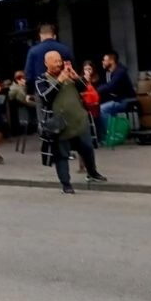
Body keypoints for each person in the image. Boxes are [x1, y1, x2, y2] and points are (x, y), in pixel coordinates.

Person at [35, 51, 107, 194]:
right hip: (60, 126)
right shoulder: (41, 80)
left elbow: (83, 87)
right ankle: (66, 184)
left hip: (79, 121)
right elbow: (46, 97)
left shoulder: (68, 75)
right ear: (46, 63)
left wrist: (75, 77)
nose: (58, 64)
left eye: (59, 61)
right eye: (55, 61)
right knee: (61, 155)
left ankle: (92, 173)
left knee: (87, 149)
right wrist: (59, 81)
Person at [23, 23, 74, 94]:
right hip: (64, 90)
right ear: (54, 35)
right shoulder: (65, 49)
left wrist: (29, 93)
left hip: (43, 91)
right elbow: (72, 71)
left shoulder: (33, 51)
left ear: (40, 35)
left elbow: (29, 77)